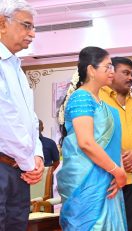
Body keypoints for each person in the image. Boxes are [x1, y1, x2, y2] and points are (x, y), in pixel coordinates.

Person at [56, 46, 127, 230]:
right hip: (86, 181)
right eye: (107, 67)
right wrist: (117, 171)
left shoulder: (104, 104)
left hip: (108, 178)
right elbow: (86, 143)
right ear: (91, 70)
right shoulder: (81, 98)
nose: (112, 72)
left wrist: (117, 171)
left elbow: (113, 144)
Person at [0, 1, 45, 230]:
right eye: (26, 26)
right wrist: (30, 163)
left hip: (18, 169)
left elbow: (30, 119)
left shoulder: (16, 66)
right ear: (2, 24)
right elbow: (5, 119)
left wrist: (37, 156)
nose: (32, 34)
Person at [99, 56, 132, 231]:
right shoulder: (98, 97)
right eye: (126, 73)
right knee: (110, 223)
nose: (130, 78)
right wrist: (122, 156)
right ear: (111, 73)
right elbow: (98, 134)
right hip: (108, 173)